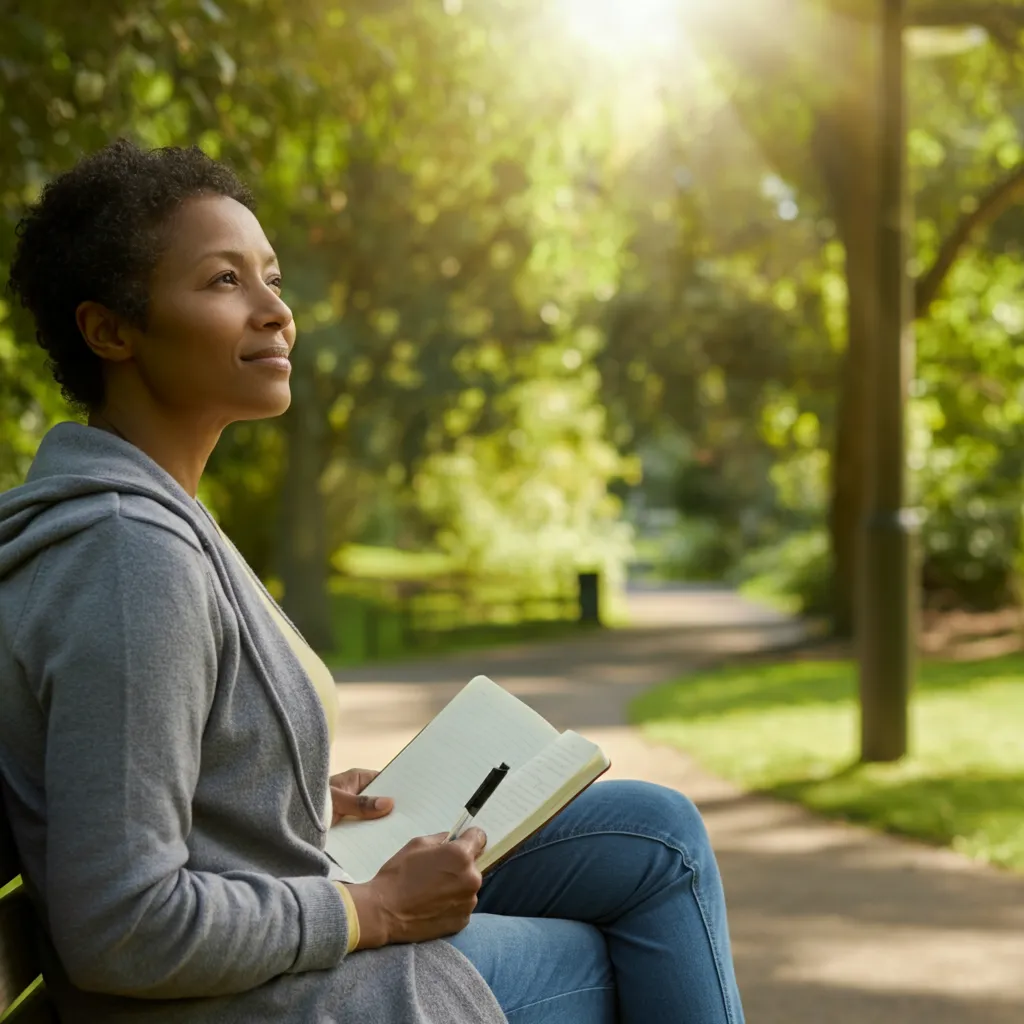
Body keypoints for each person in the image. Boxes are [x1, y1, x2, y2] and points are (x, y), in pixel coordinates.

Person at [0, 140, 745, 1024]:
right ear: (111, 330)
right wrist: (373, 910)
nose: (276, 311)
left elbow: (149, 781)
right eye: (223, 281)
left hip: (278, 915)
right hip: (240, 1002)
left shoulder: (149, 521)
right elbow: (124, 927)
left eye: (271, 277)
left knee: (659, 835)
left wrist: (294, 799)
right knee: (598, 957)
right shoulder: (129, 559)